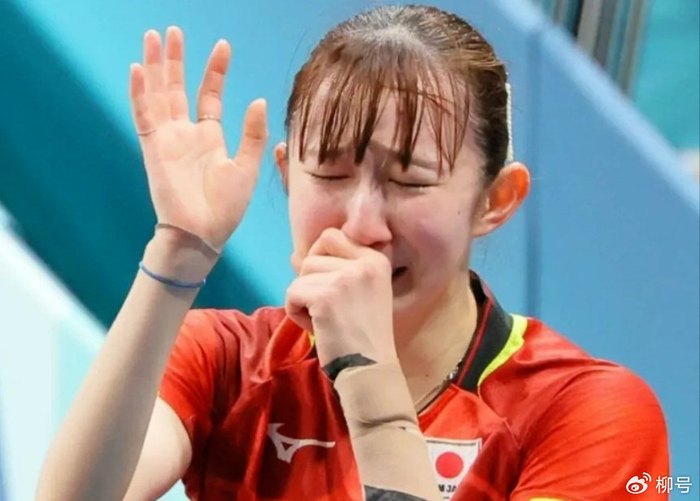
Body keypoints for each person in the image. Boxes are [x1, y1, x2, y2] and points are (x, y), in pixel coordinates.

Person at [36, 4, 669, 501]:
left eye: (410, 180)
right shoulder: (227, 361)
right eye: (330, 174)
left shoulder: (591, 413)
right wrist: (177, 251)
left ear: (495, 200)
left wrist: (368, 379)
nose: (363, 224)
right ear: (287, 175)